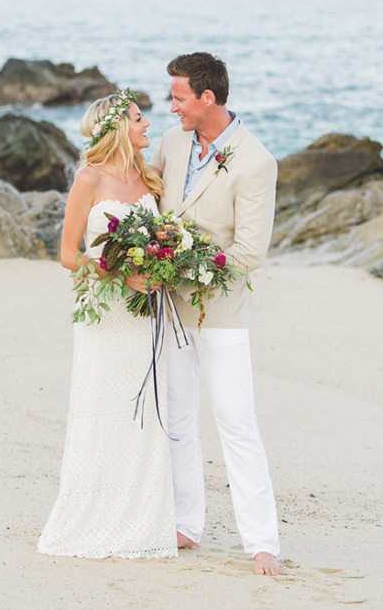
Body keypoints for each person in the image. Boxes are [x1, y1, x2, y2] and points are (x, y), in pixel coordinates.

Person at [151, 52, 282, 576]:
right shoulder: (171, 141)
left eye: (179, 96)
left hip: (220, 312)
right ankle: (186, 524)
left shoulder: (256, 161)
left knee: (236, 422)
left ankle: (262, 541)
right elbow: (150, 208)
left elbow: (249, 252)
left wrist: (181, 263)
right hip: (169, 309)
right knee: (178, 420)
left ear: (207, 98)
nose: (172, 106)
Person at [38, 89, 177, 559]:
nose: (146, 126)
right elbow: (67, 254)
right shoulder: (89, 178)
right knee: (103, 406)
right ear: (118, 125)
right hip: (107, 310)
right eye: (139, 119)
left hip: (145, 315)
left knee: (144, 412)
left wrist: (162, 266)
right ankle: (93, 515)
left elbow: (164, 236)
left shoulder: (151, 177)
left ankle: (143, 519)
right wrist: (123, 274)